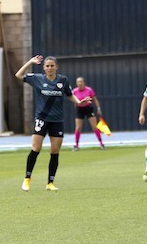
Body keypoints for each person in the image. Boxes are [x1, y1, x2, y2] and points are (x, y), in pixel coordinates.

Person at [15, 55, 83, 191]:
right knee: (36, 148)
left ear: (56, 67)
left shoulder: (63, 80)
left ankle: (50, 183)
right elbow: (18, 75)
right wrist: (30, 62)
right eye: (47, 66)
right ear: (44, 68)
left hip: (57, 120)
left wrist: (79, 102)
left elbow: (69, 95)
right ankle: (27, 179)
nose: (50, 68)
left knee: (55, 151)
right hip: (41, 119)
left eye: (52, 65)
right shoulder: (37, 79)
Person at [71, 77, 105, 151]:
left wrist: (98, 109)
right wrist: (77, 107)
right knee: (78, 127)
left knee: (94, 126)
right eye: (78, 82)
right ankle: (76, 145)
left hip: (88, 108)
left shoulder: (89, 90)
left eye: (81, 82)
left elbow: (95, 100)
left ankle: (101, 144)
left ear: (84, 82)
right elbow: (74, 101)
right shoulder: (74, 91)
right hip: (79, 109)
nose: (79, 83)